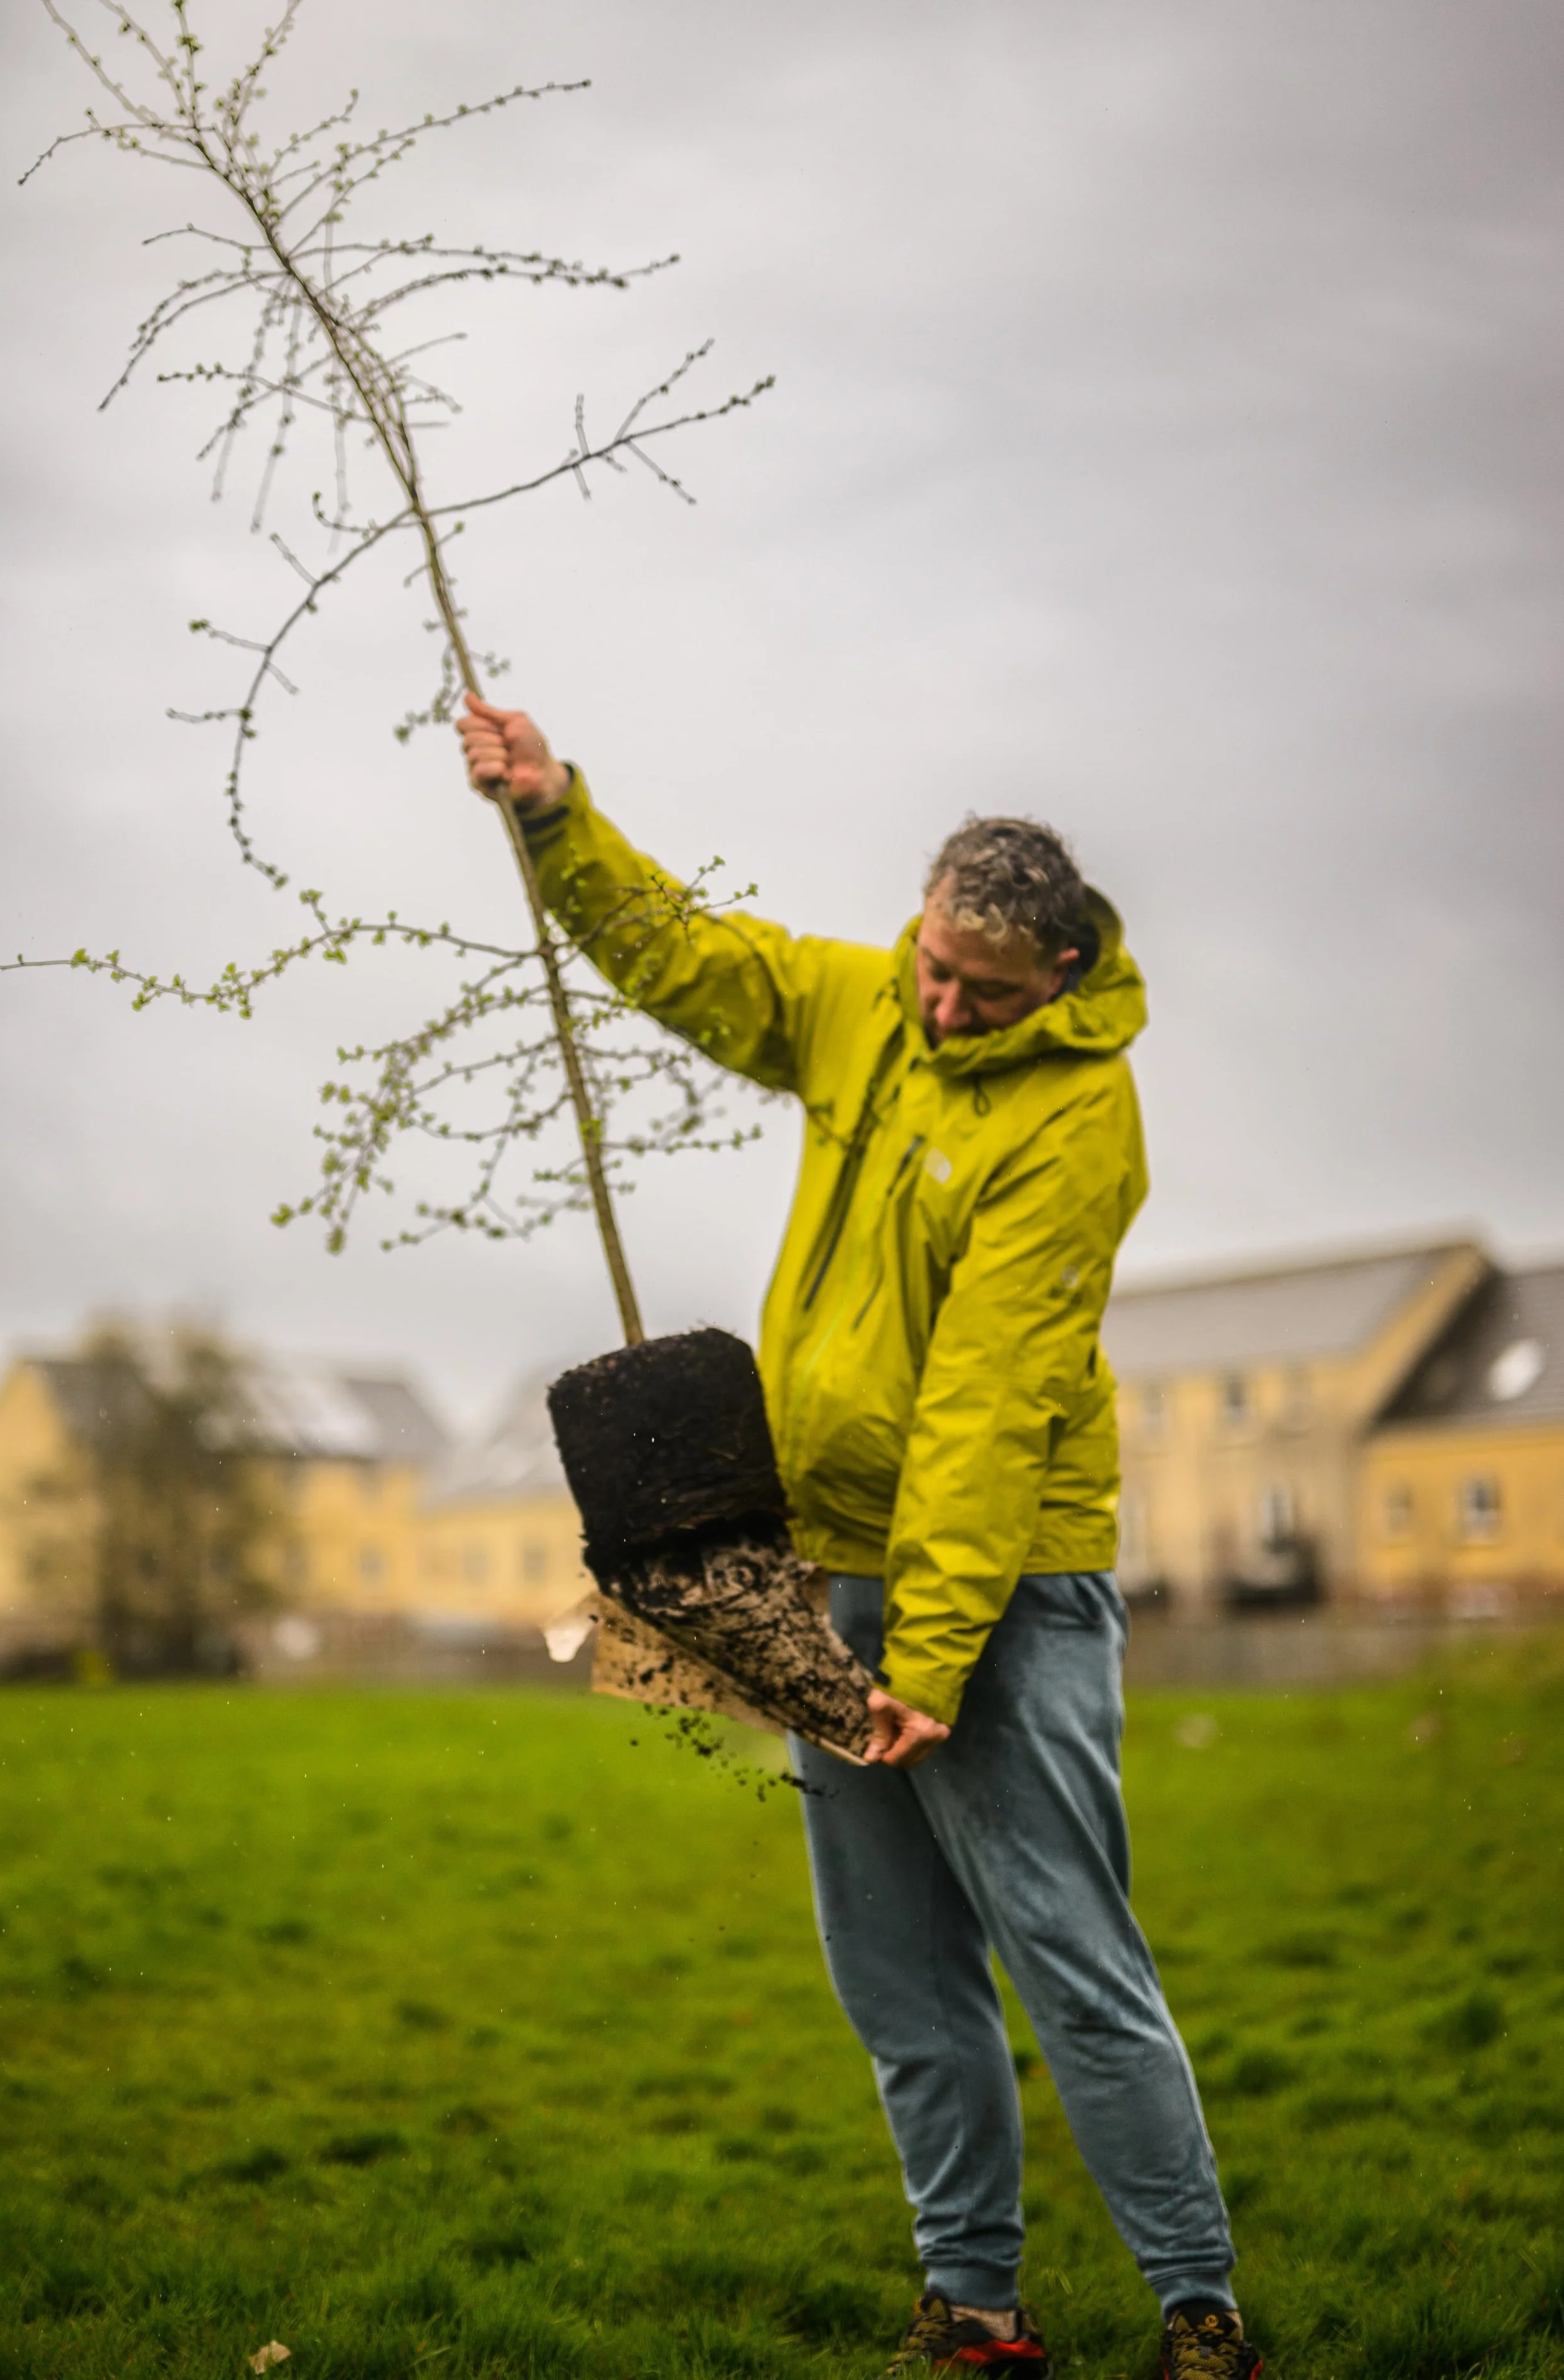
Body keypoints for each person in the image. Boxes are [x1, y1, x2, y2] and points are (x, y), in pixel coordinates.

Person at [456, 693, 1262, 2380]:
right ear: (917, 918)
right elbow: (694, 960)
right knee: (895, 1975)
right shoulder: (861, 1007)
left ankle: (1199, 2313)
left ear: (1056, 974)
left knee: (1067, 1953)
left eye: (978, 984)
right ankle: (973, 2310)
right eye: (930, 960)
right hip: (825, 1569)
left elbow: (985, 1408)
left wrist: (935, 1658)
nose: (941, 998)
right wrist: (553, 816)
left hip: (1004, 1590)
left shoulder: (1072, 1122)